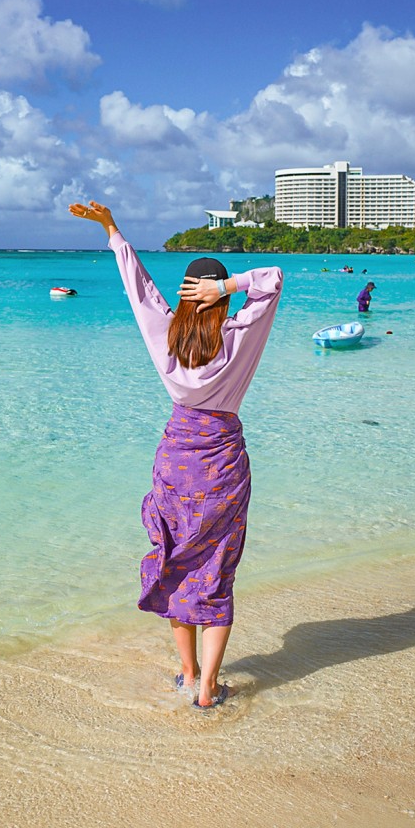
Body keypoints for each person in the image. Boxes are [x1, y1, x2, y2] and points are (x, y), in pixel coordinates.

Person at [69, 200, 282, 710]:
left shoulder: (167, 334)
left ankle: (187, 677)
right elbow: (272, 279)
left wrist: (113, 230)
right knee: (216, 569)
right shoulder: (240, 334)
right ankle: (208, 688)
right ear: (219, 300)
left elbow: (138, 289)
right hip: (224, 462)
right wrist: (228, 288)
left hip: (177, 460)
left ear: (186, 298)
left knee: (178, 563)